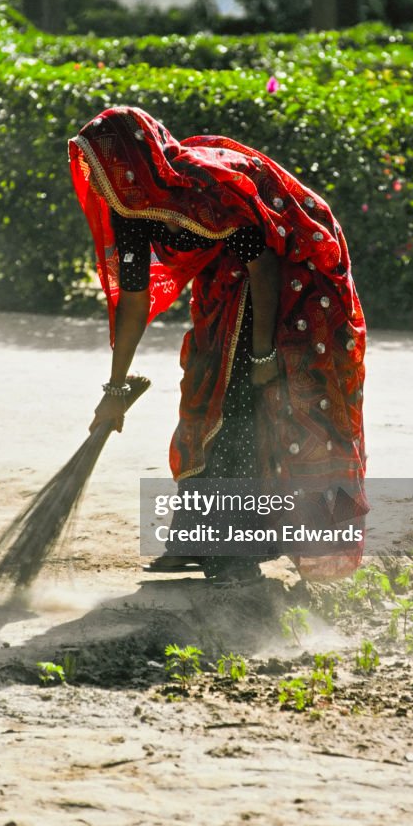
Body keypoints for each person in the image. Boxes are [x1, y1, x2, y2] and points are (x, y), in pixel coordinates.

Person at [68, 105, 367, 581]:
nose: (103, 184)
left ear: (136, 163)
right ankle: (196, 538)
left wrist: (265, 353)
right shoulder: (131, 211)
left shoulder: (206, 190)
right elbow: (134, 299)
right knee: (203, 396)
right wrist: (115, 390)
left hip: (293, 275)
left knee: (247, 402)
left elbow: (264, 265)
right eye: (97, 174)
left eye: (108, 170)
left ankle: (240, 552)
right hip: (228, 285)